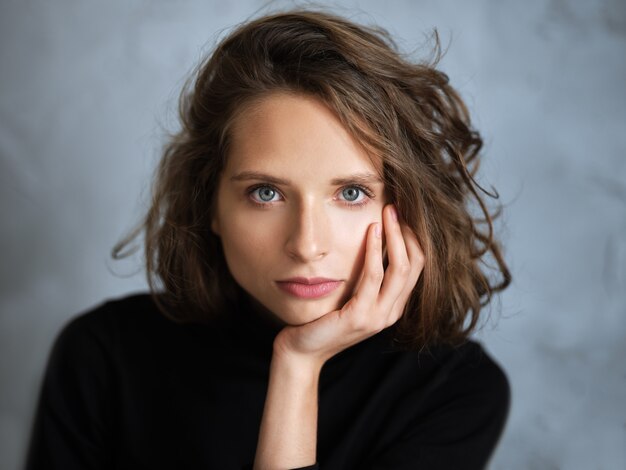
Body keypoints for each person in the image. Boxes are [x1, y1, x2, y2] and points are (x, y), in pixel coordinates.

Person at [25, 9, 511, 470]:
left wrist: (298, 365)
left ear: (407, 208)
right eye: (265, 192)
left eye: (351, 192)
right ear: (209, 204)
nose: (305, 244)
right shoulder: (103, 356)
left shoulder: (455, 388)